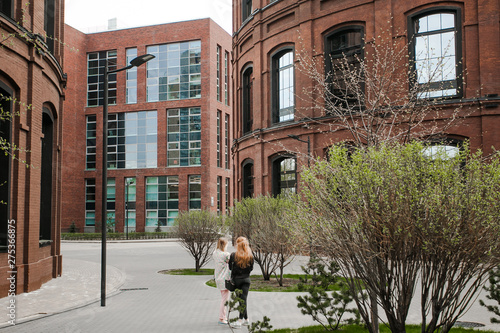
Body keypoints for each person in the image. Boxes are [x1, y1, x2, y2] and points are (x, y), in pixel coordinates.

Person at [228, 236, 254, 328]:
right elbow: (251, 268)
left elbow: (230, 268)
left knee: (242, 300)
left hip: (237, 280)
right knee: (243, 300)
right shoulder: (250, 256)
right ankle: (246, 320)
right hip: (246, 280)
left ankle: (239, 321)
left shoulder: (233, 255)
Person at [212, 238, 231, 325]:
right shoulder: (226, 254)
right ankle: (222, 318)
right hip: (224, 279)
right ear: (224, 245)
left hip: (218, 278)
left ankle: (224, 317)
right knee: (224, 300)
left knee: (223, 297)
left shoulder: (215, 253)